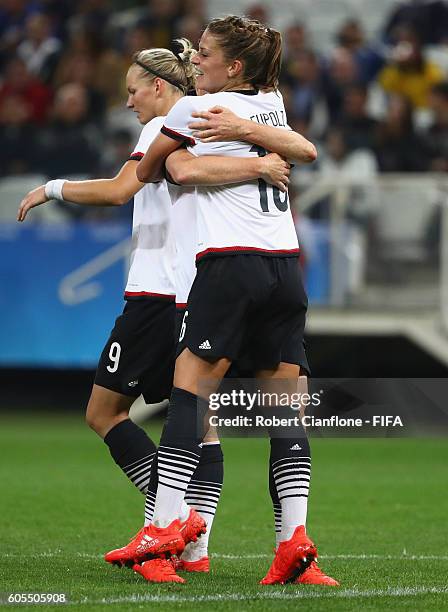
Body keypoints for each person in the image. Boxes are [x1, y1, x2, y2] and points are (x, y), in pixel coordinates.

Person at [17, 40, 291, 572]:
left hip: (155, 294)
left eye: (133, 90)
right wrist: (261, 167)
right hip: (198, 290)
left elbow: (122, 190)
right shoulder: (212, 124)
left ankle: (167, 522)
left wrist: (53, 188)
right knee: (200, 423)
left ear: (159, 88)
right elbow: (207, 173)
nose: (128, 103)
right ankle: (197, 547)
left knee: (104, 412)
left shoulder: (163, 128)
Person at [132, 15, 338, 586]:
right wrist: (259, 153)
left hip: (229, 264)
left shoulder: (192, 109)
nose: (194, 61)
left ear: (234, 66)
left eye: (203, 53)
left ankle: (161, 536)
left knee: (189, 398)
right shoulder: (270, 104)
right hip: (284, 269)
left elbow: (164, 169)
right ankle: (294, 546)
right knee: (285, 411)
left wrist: (193, 142)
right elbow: (303, 149)